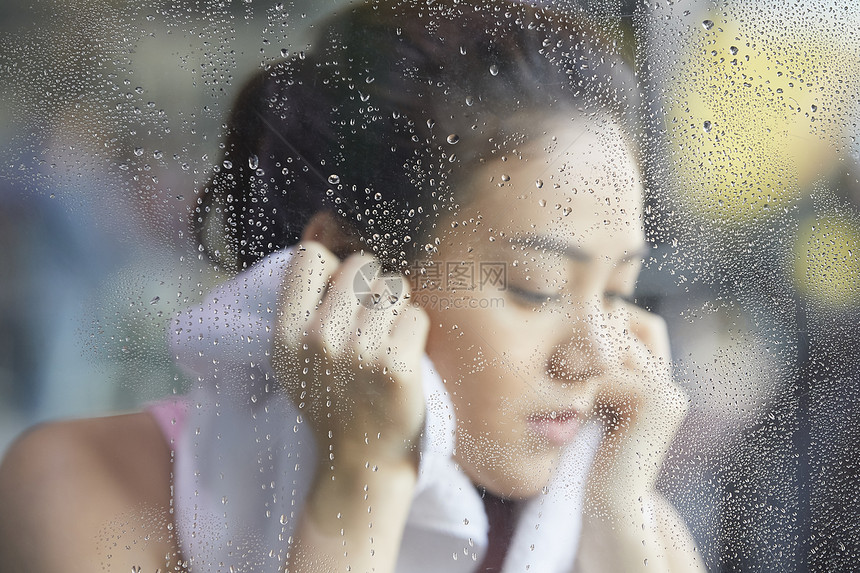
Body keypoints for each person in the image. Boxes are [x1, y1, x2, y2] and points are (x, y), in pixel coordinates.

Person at [0, 1, 703, 571]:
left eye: (618, 291)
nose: (593, 356)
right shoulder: (80, 488)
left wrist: (620, 535)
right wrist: (359, 478)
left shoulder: (627, 527)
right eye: (535, 286)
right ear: (339, 270)